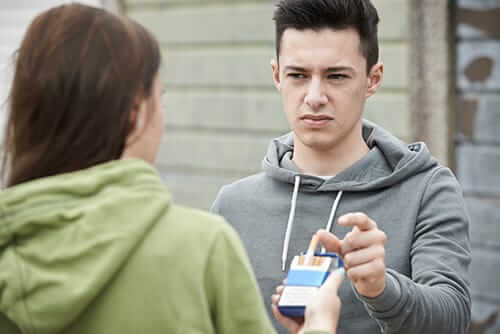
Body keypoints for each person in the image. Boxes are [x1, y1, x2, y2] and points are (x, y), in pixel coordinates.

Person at [0, 4, 344, 334]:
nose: (314, 96)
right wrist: (317, 327)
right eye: (159, 98)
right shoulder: (202, 247)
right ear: (135, 114)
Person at [211, 0, 472, 333]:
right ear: (277, 75)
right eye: (298, 75)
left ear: (372, 79)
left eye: (335, 76)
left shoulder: (427, 191)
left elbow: (453, 320)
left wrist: (381, 289)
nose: (315, 96)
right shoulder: (233, 206)